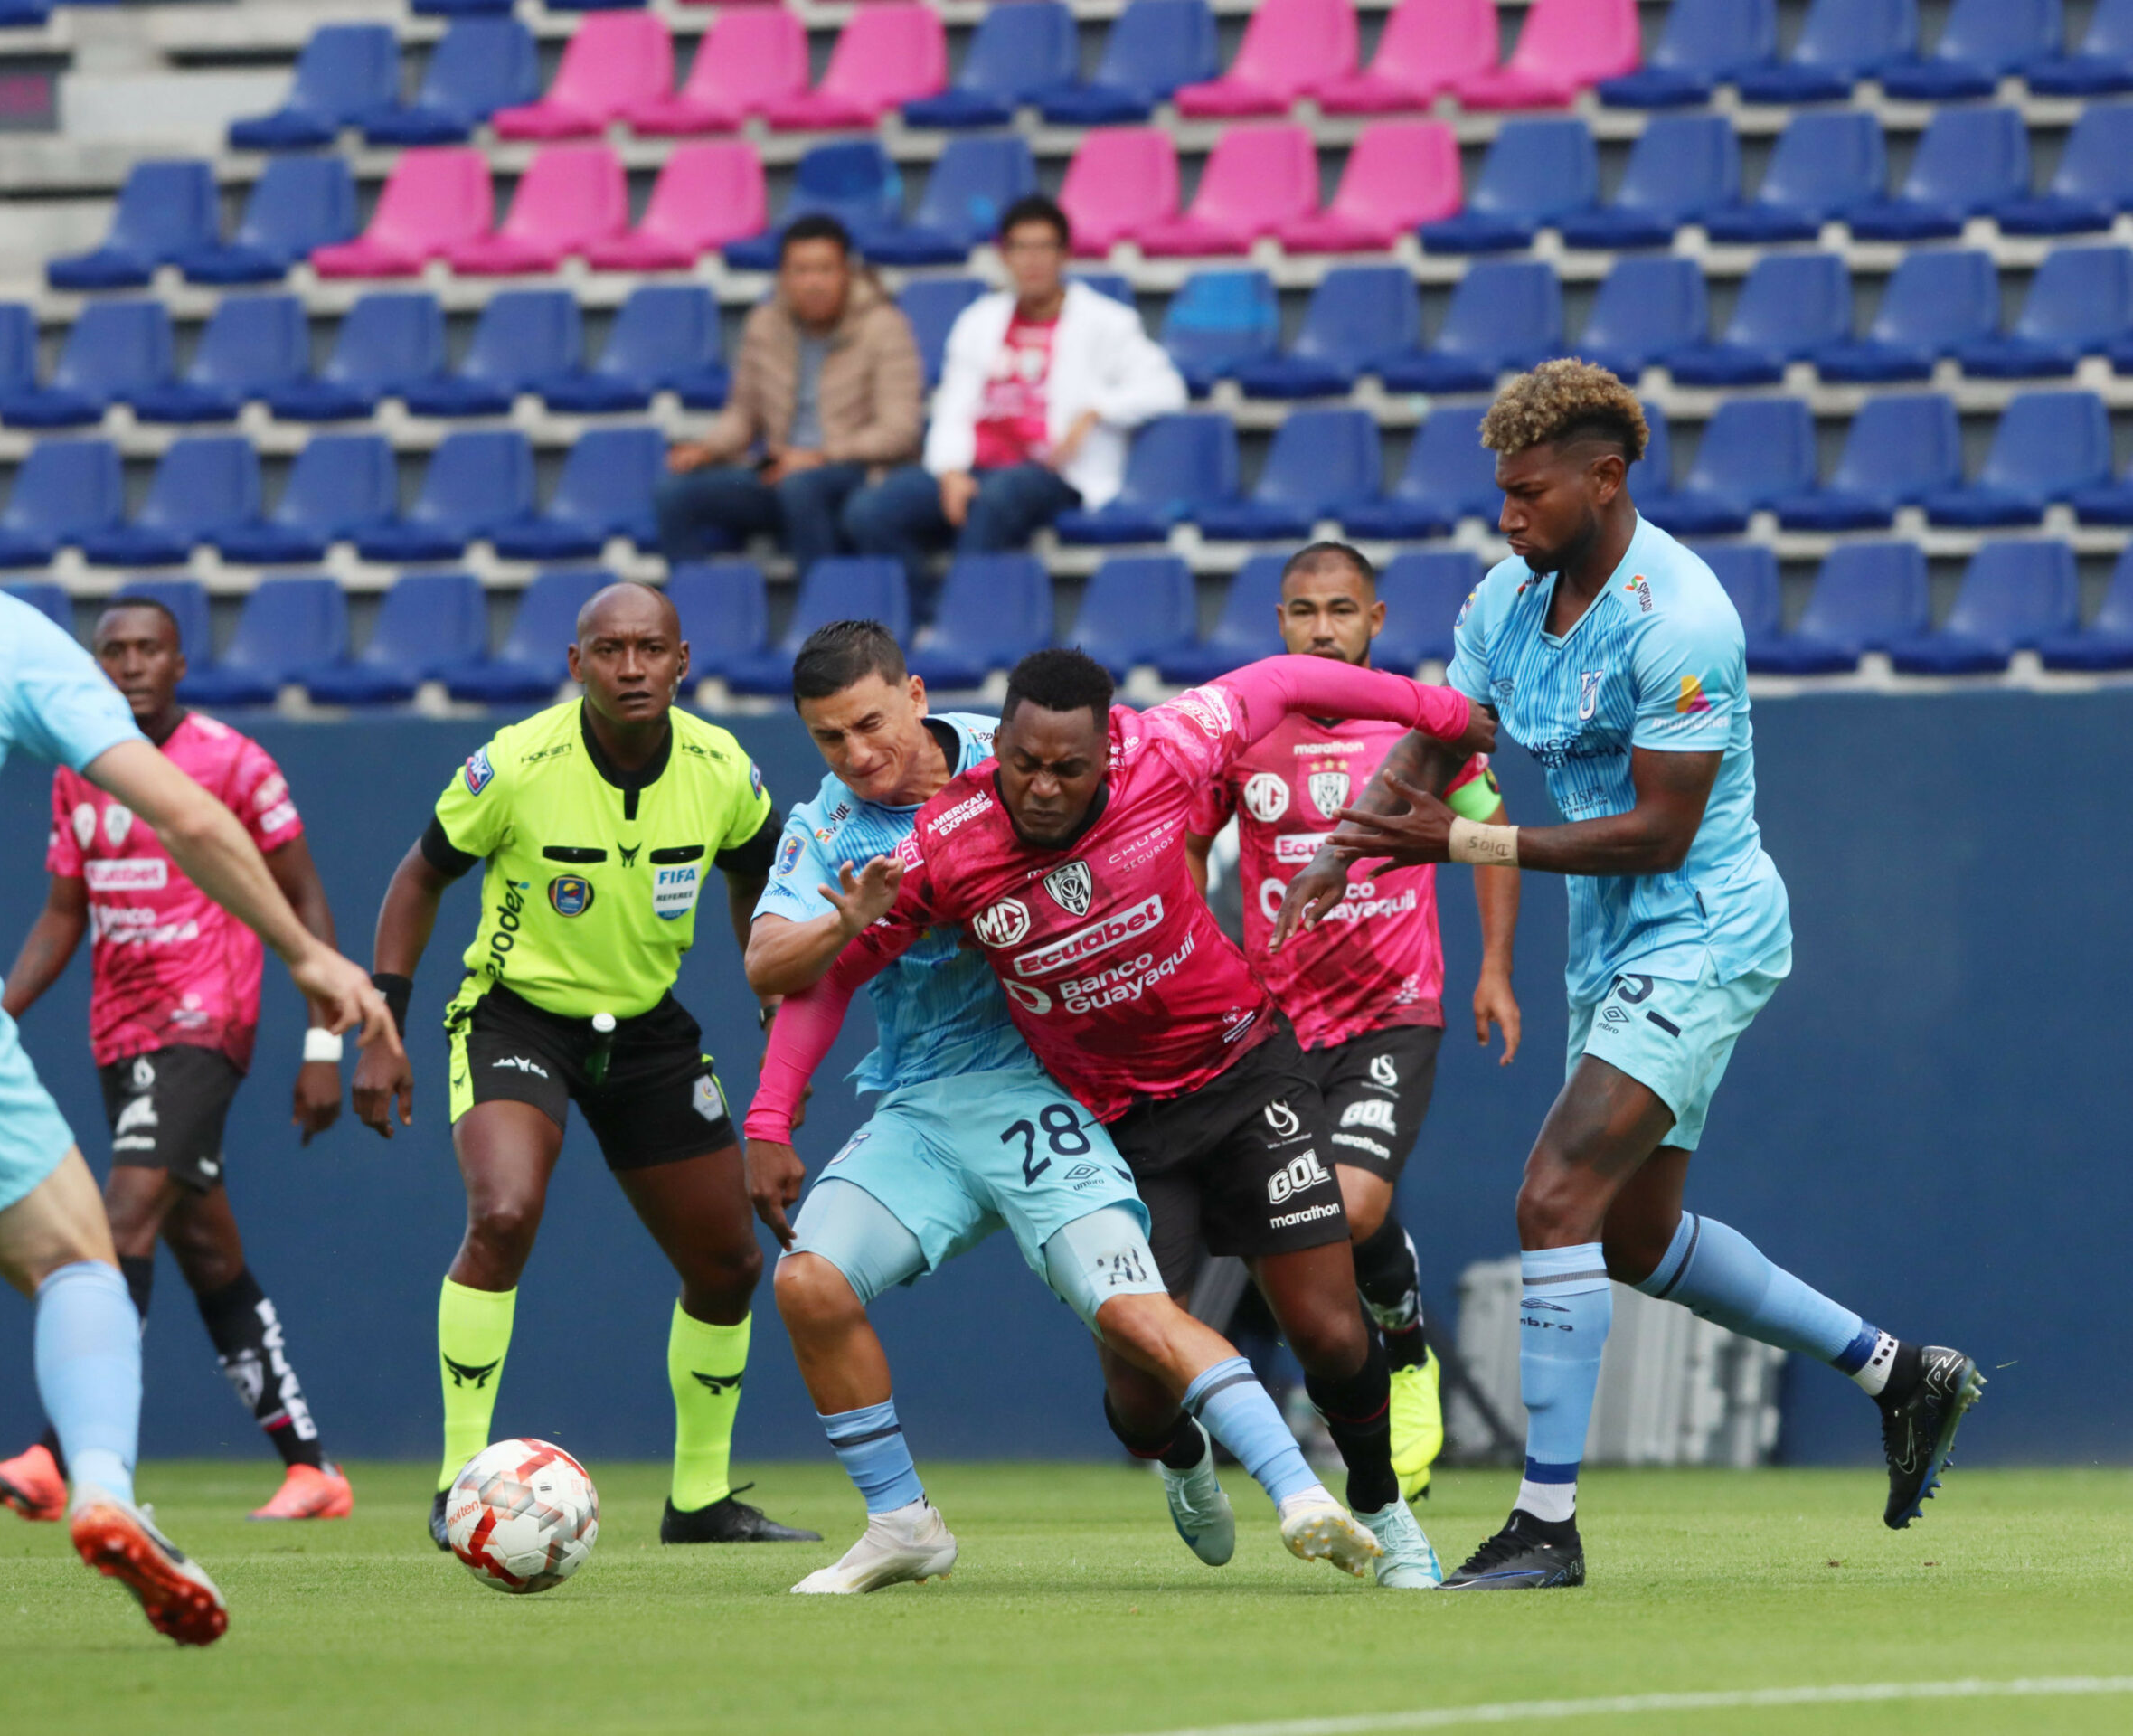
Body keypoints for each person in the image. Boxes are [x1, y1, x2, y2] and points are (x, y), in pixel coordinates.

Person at [1274, 360, 1981, 1590]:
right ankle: (1900, 1371)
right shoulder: (1505, 600)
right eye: (1501, 492)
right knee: (1630, 1237)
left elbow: (1658, 831)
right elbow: (1445, 744)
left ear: (1606, 479)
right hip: (1610, 939)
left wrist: (1459, 843)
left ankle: (1545, 1528)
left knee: (1552, 1200)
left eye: (1529, 493)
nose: (1508, 516)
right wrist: (1343, 849)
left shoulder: (1682, 618)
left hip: (1704, 925)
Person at [0, 402, 392, 1645]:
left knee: (171, 1231)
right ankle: (98, 1489)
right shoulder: (7, 633)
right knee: (85, 1258)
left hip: (186, 1021)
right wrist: (313, 965)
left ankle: (266, 1461)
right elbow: (185, 820)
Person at [750, 646, 1500, 1588]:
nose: (1043, 787)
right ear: (1000, 748)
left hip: (1243, 1077)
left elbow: (1286, 679)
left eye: (1068, 768)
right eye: (1024, 764)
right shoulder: (945, 841)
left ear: (1110, 752)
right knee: (1138, 1400)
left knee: (1329, 1332)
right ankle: (1184, 1462)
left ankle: (1382, 1510)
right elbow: (830, 973)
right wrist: (771, 1113)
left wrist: (1436, 710)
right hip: (1116, 1120)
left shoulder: (1168, 750)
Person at [349, 580, 818, 1551]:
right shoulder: (516, 764)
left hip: (647, 1030)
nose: (633, 666)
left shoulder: (723, 768)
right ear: (577, 665)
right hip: (517, 1017)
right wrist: (380, 1021)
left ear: (683, 662)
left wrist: (769, 992)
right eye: (610, 650)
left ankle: (698, 1502)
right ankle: (459, 1486)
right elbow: (418, 876)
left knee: (728, 1264)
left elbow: (759, 877)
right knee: (505, 1213)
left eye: (652, 648)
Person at [0, 598, 353, 1525]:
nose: (132, 663)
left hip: (206, 1021)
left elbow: (305, 901)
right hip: (122, 1036)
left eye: (149, 649)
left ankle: (59, 1455)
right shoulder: (81, 772)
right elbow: (65, 915)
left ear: (180, 663)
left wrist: (320, 1044)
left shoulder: (233, 761)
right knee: (208, 1249)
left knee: (120, 1222)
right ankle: (311, 1471)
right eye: (114, 651)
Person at [1187, 542, 1522, 1505]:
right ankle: (1352, 1385)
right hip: (1275, 1021)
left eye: (1341, 609)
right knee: (1299, 1224)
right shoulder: (1241, 731)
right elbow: (1182, 845)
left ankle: (1406, 1356)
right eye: (1302, 611)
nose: (1322, 628)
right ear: (1279, 624)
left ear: (1376, 620)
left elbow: (1491, 840)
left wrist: (1495, 969)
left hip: (1391, 1010)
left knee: (1357, 1206)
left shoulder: (1419, 733)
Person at [843, 195, 1185, 564]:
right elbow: (953, 407)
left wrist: (1096, 411)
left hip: (1050, 474)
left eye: (1044, 247)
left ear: (1065, 254)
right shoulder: (978, 321)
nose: (1033, 260)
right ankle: (920, 617)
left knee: (995, 500)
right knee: (869, 510)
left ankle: (962, 617)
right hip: (974, 467)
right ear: (1004, 256)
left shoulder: (1106, 322)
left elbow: (1167, 389)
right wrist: (951, 473)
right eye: (1021, 248)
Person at [656, 214, 923, 575]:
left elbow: (900, 430)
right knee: (674, 495)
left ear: (847, 272)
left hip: (857, 472)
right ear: (783, 276)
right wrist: (707, 449)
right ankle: (694, 617)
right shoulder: (765, 323)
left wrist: (819, 455)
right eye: (801, 270)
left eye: (825, 269)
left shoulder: (885, 326)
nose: (813, 283)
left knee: (801, 488)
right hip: (780, 471)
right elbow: (743, 413)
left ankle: (827, 623)